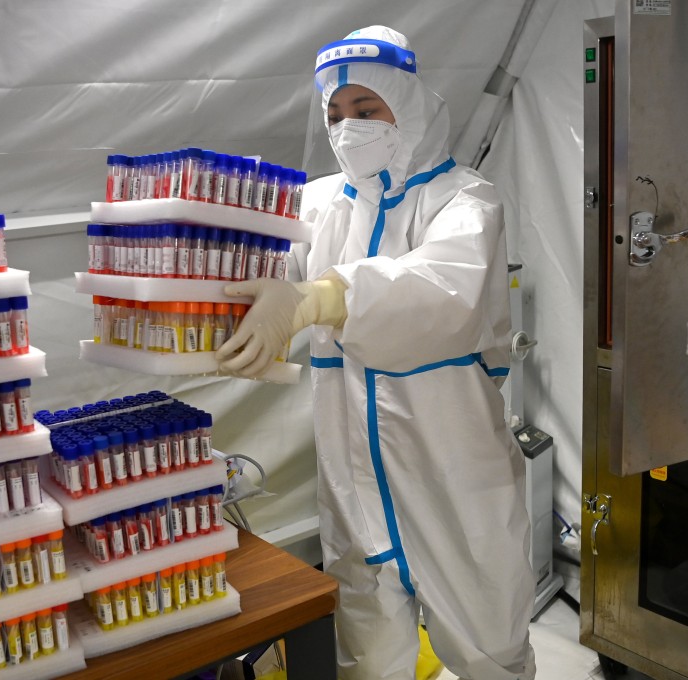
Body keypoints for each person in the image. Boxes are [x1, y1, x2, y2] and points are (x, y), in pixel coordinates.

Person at [215, 26, 535, 680]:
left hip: (451, 468)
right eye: (336, 114)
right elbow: (272, 266)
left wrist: (318, 298)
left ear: (407, 107)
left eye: (367, 110)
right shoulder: (322, 204)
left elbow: (442, 291)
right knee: (365, 646)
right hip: (353, 475)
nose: (348, 128)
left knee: (486, 646)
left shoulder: (465, 200)